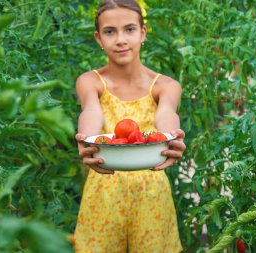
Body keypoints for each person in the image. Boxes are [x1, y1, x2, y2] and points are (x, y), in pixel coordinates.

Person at [74, 0, 186, 252]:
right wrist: (87, 140)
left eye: (129, 29)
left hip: (151, 195)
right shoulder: (91, 81)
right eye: (110, 32)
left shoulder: (165, 86)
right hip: (103, 192)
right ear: (98, 38)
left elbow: (166, 117)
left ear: (143, 33)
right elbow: (91, 111)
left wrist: (172, 138)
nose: (120, 39)